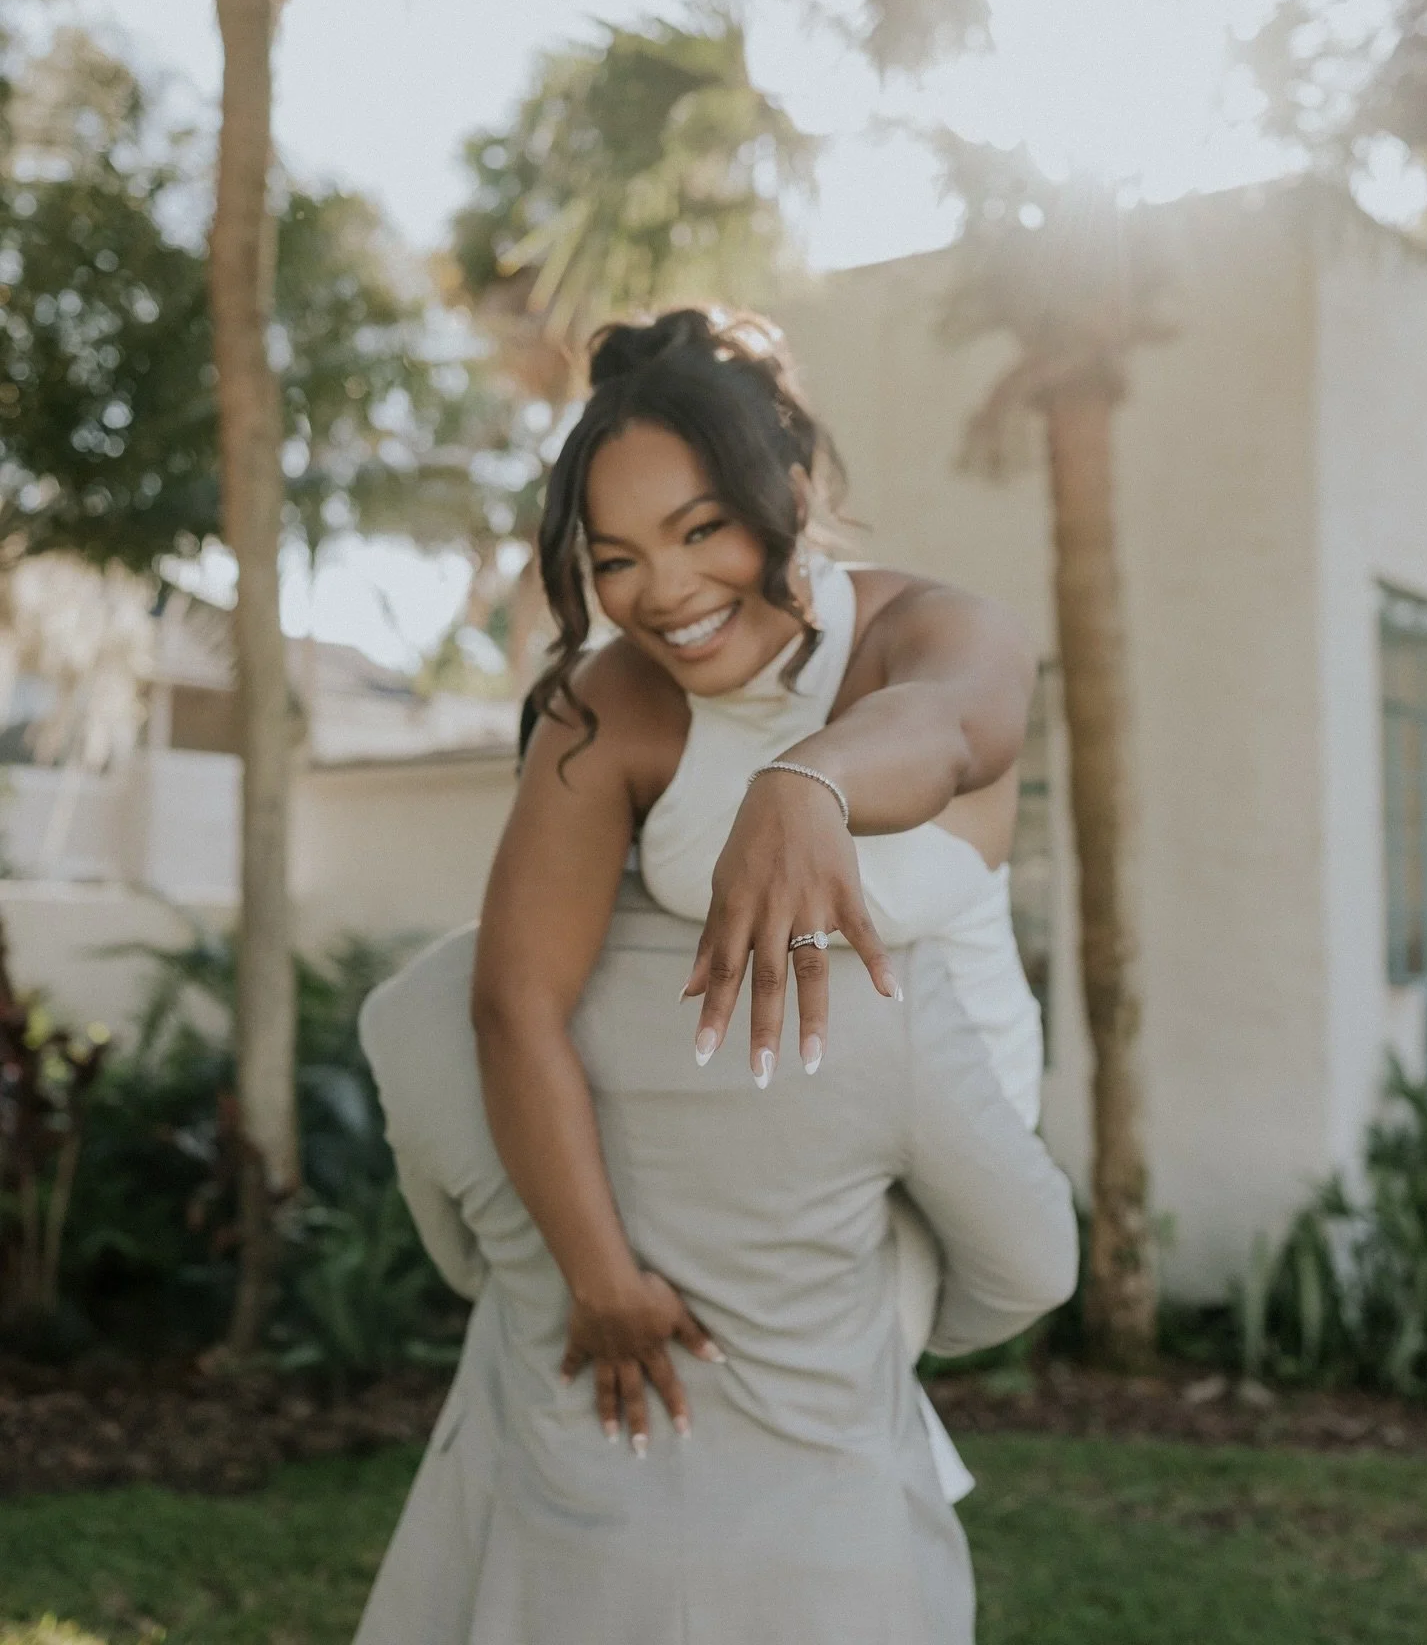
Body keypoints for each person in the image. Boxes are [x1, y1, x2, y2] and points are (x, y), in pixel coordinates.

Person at [355, 309, 1077, 1644]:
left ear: (790, 493)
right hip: (749, 1136)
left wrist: (807, 784)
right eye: (616, 559)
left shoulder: (935, 631)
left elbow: (945, 729)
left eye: (703, 531)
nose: (667, 592)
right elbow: (515, 999)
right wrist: (602, 1279)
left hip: (936, 1122)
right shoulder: (609, 706)